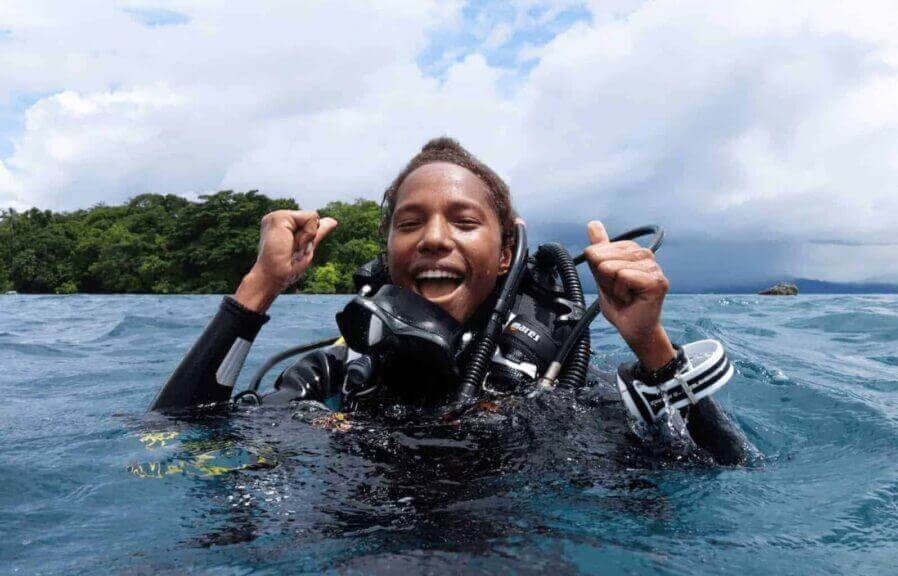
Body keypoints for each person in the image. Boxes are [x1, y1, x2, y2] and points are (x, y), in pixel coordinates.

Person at [150, 137, 753, 465]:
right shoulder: (339, 373)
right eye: (410, 223)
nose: (435, 237)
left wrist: (651, 347)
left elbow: (721, 474)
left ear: (503, 253)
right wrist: (260, 285)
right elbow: (179, 434)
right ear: (389, 254)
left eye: (464, 221)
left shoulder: (552, 383)